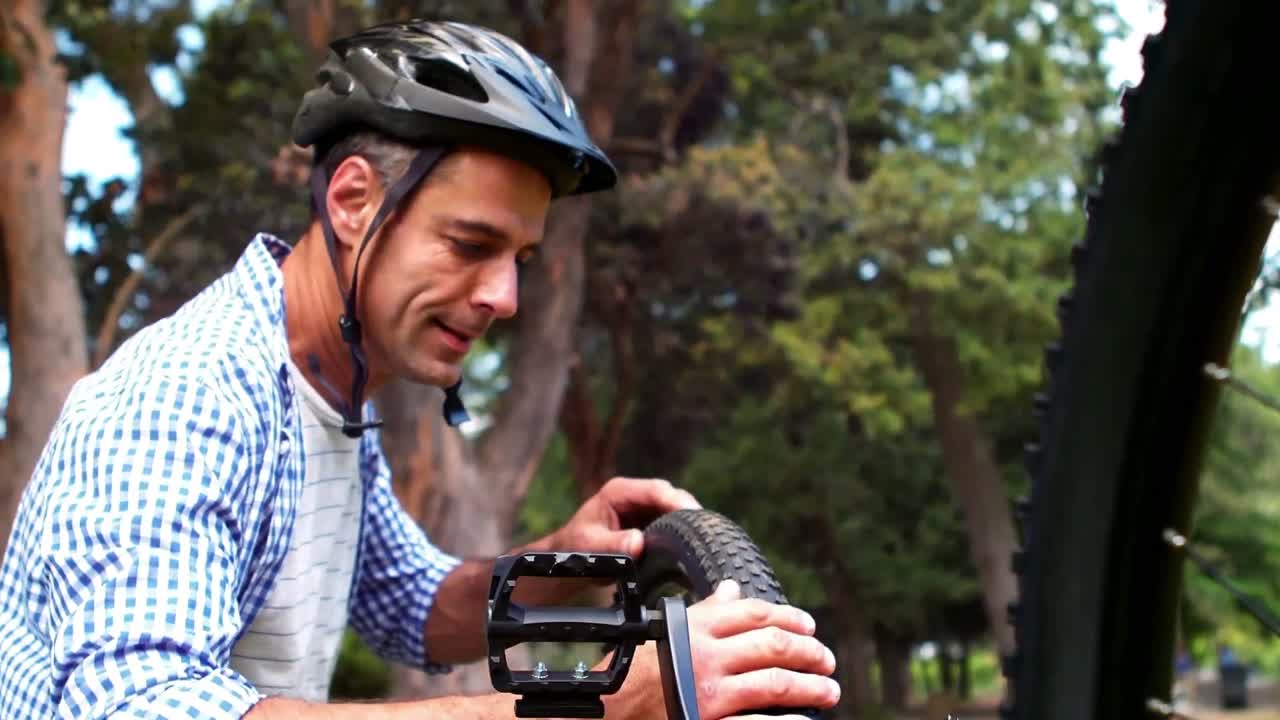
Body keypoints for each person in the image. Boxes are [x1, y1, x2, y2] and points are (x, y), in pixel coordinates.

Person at [0, 18, 840, 720]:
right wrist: (609, 700)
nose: (504, 297)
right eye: (471, 245)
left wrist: (562, 566)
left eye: (520, 257)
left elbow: (407, 603)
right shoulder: (187, 395)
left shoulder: (332, 393)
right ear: (353, 201)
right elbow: (141, 706)